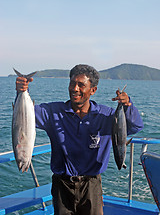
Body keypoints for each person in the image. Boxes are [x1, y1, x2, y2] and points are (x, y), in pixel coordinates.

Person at [16, 64, 143, 215]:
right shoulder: (53, 112)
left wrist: (128, 106)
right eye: (72, 83)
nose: (75, 88)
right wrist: (22, 92)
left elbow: (135, 127)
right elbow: (25, 115)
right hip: (62, 186)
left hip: (92, 186)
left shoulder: (106, 116)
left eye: (81, 85)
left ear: (93, 90)